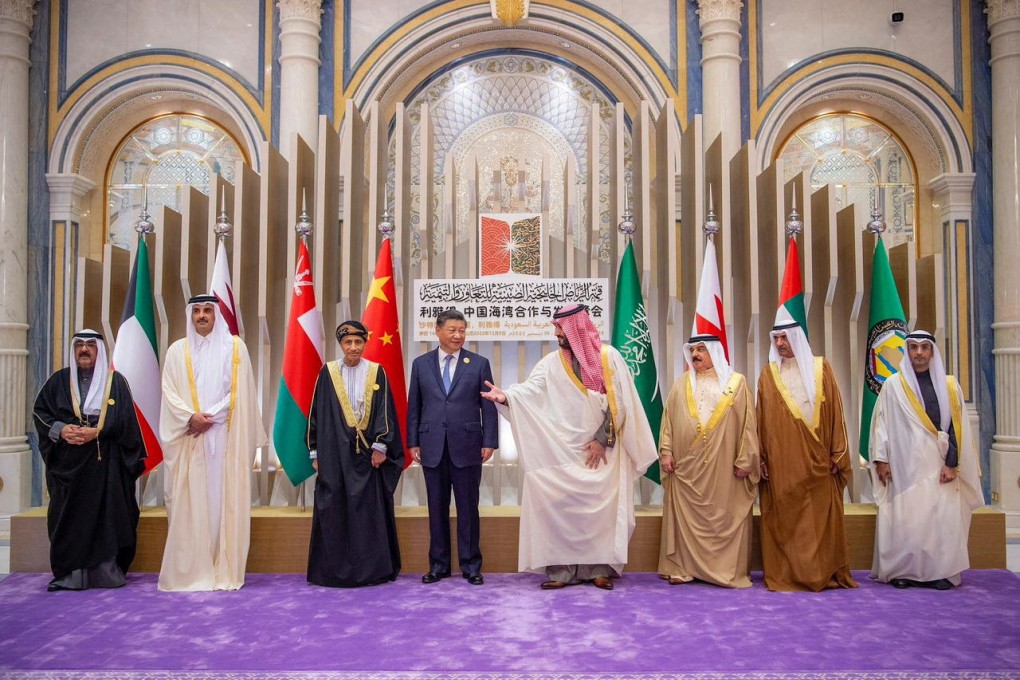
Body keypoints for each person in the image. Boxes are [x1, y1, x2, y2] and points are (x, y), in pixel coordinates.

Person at [481, 304, 656, 590]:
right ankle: (561, 572)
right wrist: (506, 397)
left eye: (560, 328)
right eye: (556, 328)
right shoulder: (551, 363)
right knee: (560, 510)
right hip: (565, 451)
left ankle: (599, 569)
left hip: (603, 452)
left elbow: (619, 403)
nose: (557, 333)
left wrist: (602, 440)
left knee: (600, 514)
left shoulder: (607, 357)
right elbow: (531, 390)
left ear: (575, 327)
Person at [158, 295, 266, 591]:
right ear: (190, 316)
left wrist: (211, 417)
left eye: (207, 310)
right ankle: (193, 568)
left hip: (224, 436)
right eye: (197, 311)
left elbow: (240, 391)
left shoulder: (234, 348)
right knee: (190, 502)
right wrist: (190, 417)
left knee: (221, 500)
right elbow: (168, 392)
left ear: (217, 314)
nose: (202, 316)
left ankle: (222, 565)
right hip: (189, 437)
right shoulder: (176, 351)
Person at [32, 329, 147, 591]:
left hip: (105, 466)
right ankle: (69, 575)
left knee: (108, 516)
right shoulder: (58, 381)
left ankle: (105, 574)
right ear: (74, 351)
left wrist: (98, 431)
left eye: (90, 346)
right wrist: (61, 429)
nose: (84, 350)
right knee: (68, 518)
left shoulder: (115, 382)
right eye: (79, 346)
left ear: (99, 350)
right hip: (69, 466)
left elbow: (128, 421)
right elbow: (40, 413)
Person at [869, 330, 983, 589]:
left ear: (932, 352)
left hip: (938, 466)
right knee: (906, 519)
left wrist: (952, 463)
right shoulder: (893, 386)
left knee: (939, 520)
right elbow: (881, 426)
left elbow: (957, 428)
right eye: (913, 348)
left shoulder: (949, 386)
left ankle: (939, 573)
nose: (919, 353)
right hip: (903, 466)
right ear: (906, 351)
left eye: (924, 348)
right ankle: (903, 572)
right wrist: (881, 460)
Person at [756, 321, 857, 592]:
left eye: (785, 338)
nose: (779, 344)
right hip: (782, 465)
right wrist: (762, 459)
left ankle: (821, 574)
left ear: (797, 339)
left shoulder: (820, 368)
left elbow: (836, 411)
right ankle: (789, 575)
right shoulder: (768, 374)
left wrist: (838, 452)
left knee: (819, 521)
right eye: (776, 338)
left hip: (820, 461)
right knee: (786, 521)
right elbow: (761, 421)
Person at [307, 321, 404, 587]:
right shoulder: (327, 372)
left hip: (368, 457)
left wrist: (381, 446)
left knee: (366, 514)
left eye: (358, 342)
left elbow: (387, 410)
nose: (353, 348)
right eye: (348, 343)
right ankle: (333, 572)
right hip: (334, 456)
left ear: (364, 344)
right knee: (334, 511)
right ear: (340, 345)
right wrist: (315, 451)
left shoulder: (376, 372)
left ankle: (371, 571)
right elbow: (316, 413)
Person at [658, 335, 760, 588]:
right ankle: (683, 567)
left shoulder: (736, 383)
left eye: (701, 349)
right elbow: (668, 421)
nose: (695, 354)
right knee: (685, 517)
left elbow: (749, 424)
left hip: (725, 467)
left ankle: (723, 569)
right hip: (685, 468)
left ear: (715, 352)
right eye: (692, 349)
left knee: (724, 516)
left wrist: (746, 458)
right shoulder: (681, 384)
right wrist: (666, 451)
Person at [407, 309, 498, 586]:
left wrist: (489, 441)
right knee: (436, 508)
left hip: (469, 446)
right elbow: (415, 407)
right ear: (438, 331)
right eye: (452, 330)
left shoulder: (478, 363)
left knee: (469, 508)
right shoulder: (421, 364)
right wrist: (413, 441)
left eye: (462, 330)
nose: (458, 335)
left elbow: (488, 406)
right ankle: (439, 566)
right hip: (431, 445)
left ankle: (471, 566)